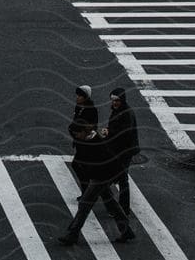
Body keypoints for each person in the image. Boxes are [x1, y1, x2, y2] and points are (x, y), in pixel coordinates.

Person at [59, 118, 133, 247]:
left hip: (102, 177)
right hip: (96, 176)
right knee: (110, 203)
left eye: (77, 133)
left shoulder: (98, 143)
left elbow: (109, 161)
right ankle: (126, 230)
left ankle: (72, 234)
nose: (75, 136)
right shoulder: (83, 140)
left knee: (84, 204)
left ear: (83, 131)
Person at [101, 86, 140, 214]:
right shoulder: (118, 110)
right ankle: (121, 208)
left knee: (118, 179)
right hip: (118, 150)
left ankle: (120, 209)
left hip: (123, 152)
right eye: (113, 100)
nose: (114, 103)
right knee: (120, 179)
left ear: (122, 100)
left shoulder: (126, 113)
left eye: (117, 100)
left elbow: (124, 133)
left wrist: (109, 132)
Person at [69, 84, 98, 189]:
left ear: (85, 97)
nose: (77, 97)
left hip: (87, 144)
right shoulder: (78, 107)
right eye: (77, 95)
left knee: (77, 165)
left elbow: (93, 126)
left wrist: (83, 133)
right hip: (79, 143)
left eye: (80, 96)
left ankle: (87, 190)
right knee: (82, 166)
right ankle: (87, 190)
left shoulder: (91, 110)